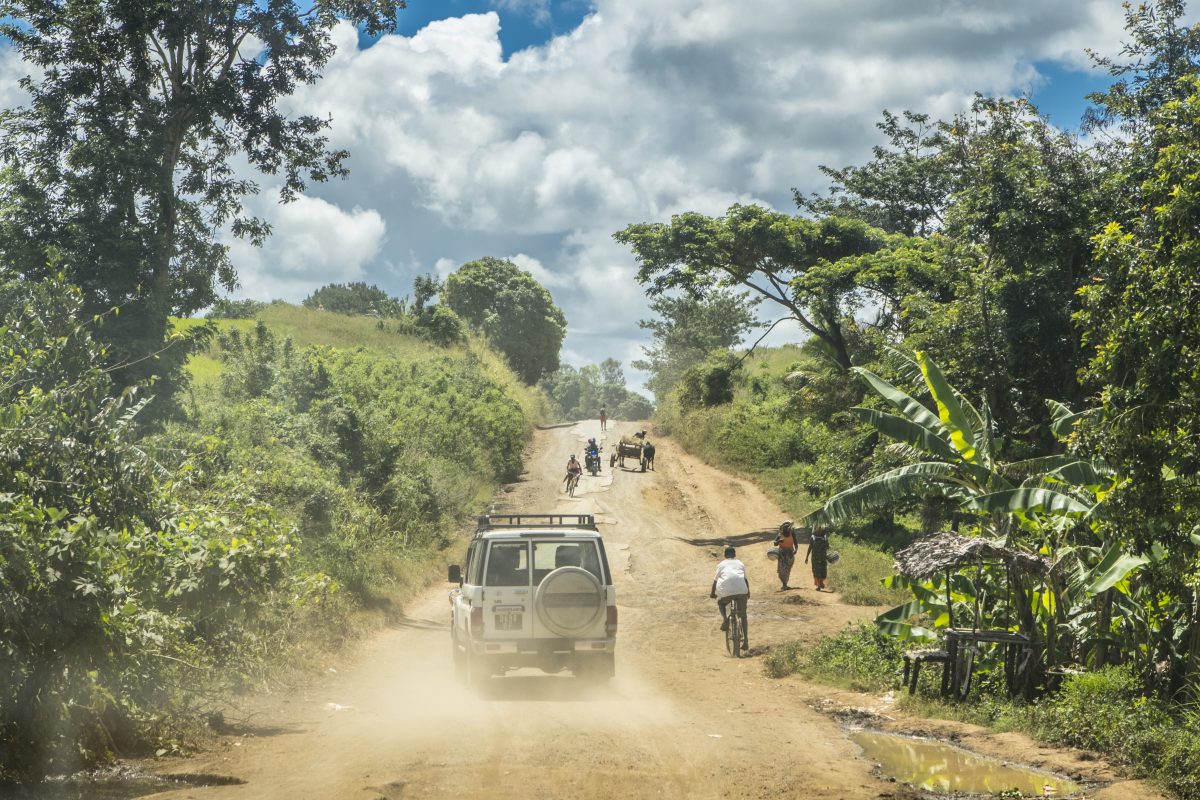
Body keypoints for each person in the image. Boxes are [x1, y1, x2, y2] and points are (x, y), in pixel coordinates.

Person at [709, 546, 749, 651]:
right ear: (735, 554)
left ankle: (725, 620)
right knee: (743, 615)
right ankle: (746, 641)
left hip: (726, 592)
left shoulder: (721, 564)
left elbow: (715, 581)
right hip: (741, 591)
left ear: (725, 555)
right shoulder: (740, 563)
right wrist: (747, 592)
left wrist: (712, 593)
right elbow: (744, 580)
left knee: (721, 603)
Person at [774, 520, 797, 591]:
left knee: (787, 570)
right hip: (782, 554)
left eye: (788, 528)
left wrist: (796, 549)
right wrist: (778, 541)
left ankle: (785, 584)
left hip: (790, 554)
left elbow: (796, 543)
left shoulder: (792, 534)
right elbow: (775, 543)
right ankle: (784, 584)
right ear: (783, 528)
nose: (787, 529)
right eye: (785, 528)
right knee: (782, 570)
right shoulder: (780, 535)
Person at [805, 525, 830, 591]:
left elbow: (827, 547)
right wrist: (807, 557)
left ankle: (820, 584)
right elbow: (810, 548)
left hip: (821, 558)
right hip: (817, 558)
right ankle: (819, 585)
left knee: (822, 571)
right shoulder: (813, 538)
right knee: (817, 571)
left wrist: (807, 557)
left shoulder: (824, 538)